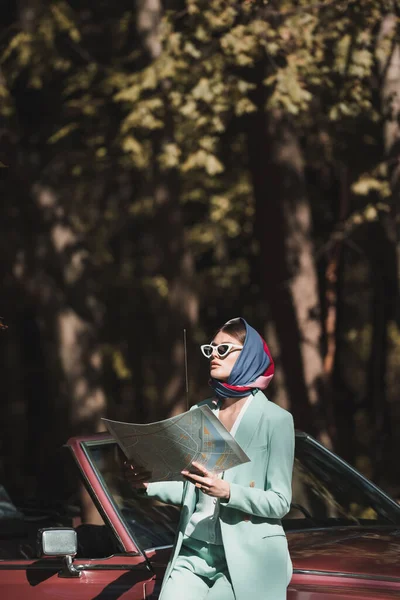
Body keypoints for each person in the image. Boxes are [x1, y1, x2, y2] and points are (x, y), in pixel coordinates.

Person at [125, 317, 294, 600]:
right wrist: (148, 486)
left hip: (249, 559)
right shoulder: (201, 411)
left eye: (223, 349)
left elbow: (279, 501)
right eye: (211, 349)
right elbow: (192, 487)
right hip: (192, 551)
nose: (213, 355)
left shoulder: (276, 420)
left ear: (249, 357)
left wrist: (227, 492)